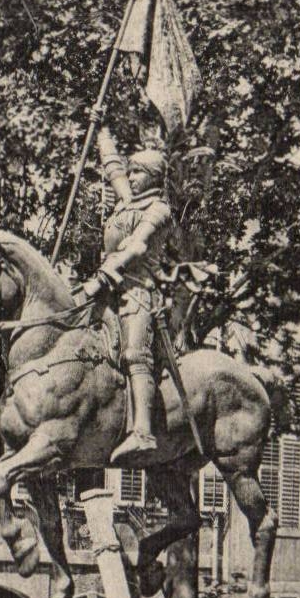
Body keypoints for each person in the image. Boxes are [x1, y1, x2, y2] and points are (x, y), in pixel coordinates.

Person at [81, 126, 176, 462]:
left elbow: (136, 245)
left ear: (153, 177)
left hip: (137, 292)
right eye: (132, 170)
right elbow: (113, 167)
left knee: (134, 353)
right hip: (107, 291)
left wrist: (107, 271)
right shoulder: (128, 200)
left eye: (138, 172)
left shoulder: (159, 210)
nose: (131, 176)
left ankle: (143, 432)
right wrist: (101, 129)